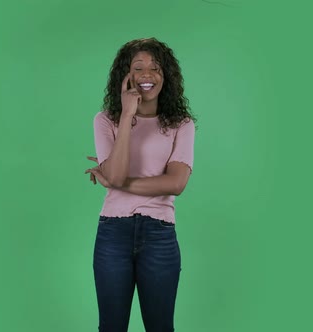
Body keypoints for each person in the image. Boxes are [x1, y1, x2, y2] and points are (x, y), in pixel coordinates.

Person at [85, 37, 196, 332]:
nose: (147, 74)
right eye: (138, 67)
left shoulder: (181, 125)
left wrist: (115, 180)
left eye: (156, 68)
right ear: (126, 75)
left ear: (166, 76)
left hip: (159, 235)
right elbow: (119, 175)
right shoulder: (106, 120)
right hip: (113, 234)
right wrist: (127, 114)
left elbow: (176, 182)